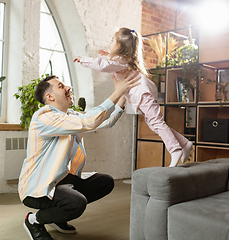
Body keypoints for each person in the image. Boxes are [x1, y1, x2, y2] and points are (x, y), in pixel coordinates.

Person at [18, 72, 140, 240]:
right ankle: (34, 220)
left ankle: (57, 216)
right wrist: (117, 91)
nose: (68, 88)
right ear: (49, 96)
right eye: (61, 86)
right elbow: (88, 121)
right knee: (76, 203)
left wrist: (123, 96)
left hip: (62, 180)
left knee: (105, 182)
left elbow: (104, 122)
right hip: (37, 188)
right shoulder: (44, 117)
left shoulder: (71, 116)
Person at [74, 27, 193, 167]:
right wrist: (108, 55)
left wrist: (83, 60)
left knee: (157, 123)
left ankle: (175, 150)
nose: (110, 42)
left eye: (112, 40)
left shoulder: (119, 61)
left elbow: (102, 65)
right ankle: (184, 143)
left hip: (143, 94)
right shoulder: (122, 60)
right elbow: (110, 63)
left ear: (119, 46)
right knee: (155, 125)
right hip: (143, 95)